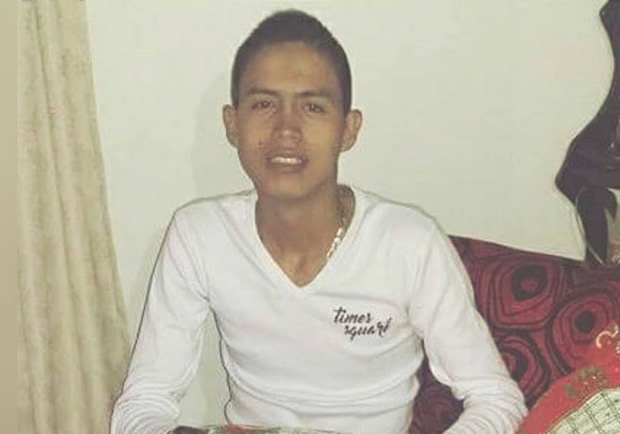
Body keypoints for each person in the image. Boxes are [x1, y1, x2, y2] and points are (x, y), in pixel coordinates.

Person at [111, 9, 527, 434]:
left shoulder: (408, 244)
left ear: (348, 129)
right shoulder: (199, 235)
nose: (286, 129)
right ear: (232, 124)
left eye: (312, 107)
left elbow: (496, 399)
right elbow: (142, 404)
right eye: (264, 104)